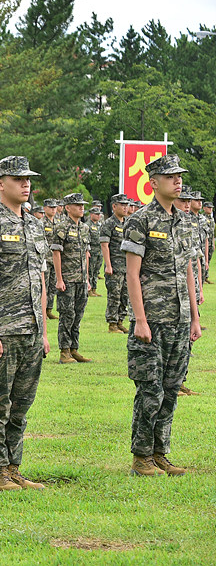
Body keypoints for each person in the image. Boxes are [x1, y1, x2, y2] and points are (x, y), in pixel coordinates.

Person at [0, 156, 50, 492]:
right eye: (17, 179)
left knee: (21, 405)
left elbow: (39, 281)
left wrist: (43, 330)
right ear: (0, 183)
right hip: (2, 331)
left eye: (28, 178)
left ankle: (14, 467)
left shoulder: (34, 225)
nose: (25, 184)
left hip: (30, 331)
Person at [121, 154, 201, 476]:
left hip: (180, 320)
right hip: (152, 320)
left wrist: (194, 317)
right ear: (153, 182)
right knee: (150, 390)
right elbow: (132, 274)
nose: (177, 181)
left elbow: (187, 272)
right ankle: (141, 457)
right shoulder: (140, 220)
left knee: (170, 390)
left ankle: (160, 453)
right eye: (170, 177)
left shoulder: (184, 221)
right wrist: (140, 320)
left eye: (179, 176)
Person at [52, 193, 92, 364]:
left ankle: (74, 348)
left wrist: (88, 278)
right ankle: (64, 350)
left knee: (78, 315)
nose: (81, 208)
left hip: (81, 279)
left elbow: (87, 255)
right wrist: (59, 279)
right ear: (68, 208)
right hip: (67, 279)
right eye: (77, 205)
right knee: (66, 315)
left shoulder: (84, 228)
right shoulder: (61, 228)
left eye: (82, 205)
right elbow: (56, 253)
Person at [101, 194, 131, 333]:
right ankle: (112, 324)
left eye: (127, 205)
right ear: (114, 206)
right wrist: (108, 265)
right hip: (114, 267)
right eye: (122, 205)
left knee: (125, 295)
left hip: (127, 267)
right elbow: (104, 245)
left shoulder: (128, 223)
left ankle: (120, 321)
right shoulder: (109, 223)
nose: (126, 207)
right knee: (114, 295)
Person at [42, 199, 59, 320]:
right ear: (45, 208)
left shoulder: (58, 223)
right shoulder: (40, 223)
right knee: (45, 285)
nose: (53, 209)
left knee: (53, 286)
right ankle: (42, 310)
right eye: (50, 207)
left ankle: (49, 309)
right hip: (45, 258)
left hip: (55, 259)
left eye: (55, 207)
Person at [86, 206, 104, 297]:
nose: (98, 216)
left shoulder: (100, 225)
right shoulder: (88, 225)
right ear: (91, 214)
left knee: (96, 271)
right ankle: (89, 290)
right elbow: (86, 239)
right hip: (92, 251)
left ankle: (94, 289)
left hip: (99, 251)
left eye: (99, 214)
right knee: (90, 271)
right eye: (96, 214)